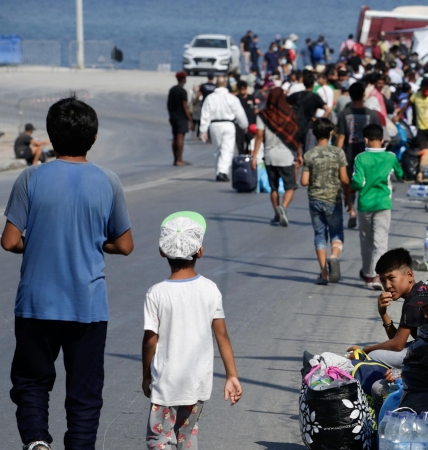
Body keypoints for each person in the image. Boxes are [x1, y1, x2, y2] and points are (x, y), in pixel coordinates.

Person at [2, 96, 134, 450]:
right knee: (85, 391)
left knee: (30, 381)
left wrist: (39, 241)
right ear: (92, 139)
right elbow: (124, 245)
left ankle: (36, 440)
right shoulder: (109, 181)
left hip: (36, 303)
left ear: (50, 135)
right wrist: (95, 243)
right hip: (87, 305)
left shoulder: (30, 178)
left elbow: (10, 240)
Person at [142, 211, 243, 448]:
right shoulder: (210, 289)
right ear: (200, 251)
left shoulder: (156, 293)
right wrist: (232, 375)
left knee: (160, 440)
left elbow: (150, 341)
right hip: (197, 383)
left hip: (166, 384)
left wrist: (146, 375)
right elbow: (222, 335)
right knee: (187, 438)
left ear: (162, 251)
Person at [351, 124, 403, 289]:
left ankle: (368, 274)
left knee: (366, 240)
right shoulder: (391, 157)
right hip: (383, 204)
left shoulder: (360, 158)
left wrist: (350, 186)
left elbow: (358, 182)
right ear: (382, 139)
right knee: (380, 241)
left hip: (364, 204)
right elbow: (400, 174)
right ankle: (378, 277)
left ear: (365, 140)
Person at [301, 119, 349, 285]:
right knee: (336, 231)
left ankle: (323, 273)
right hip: (333, 199)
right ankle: (334, 256)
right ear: (330, 134)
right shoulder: (338, 153)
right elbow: (344, 179)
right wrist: (348, 199)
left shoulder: (309, 155)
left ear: (314, 134)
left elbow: (304, 181)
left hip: (315, 199)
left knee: (320, 234)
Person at [252, 87, 301, 227]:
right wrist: (299, 154)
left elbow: (259, 136)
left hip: (270, 156)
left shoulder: (263, 115)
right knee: (290, 186)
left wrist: (254, 156)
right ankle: (283, 208)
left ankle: (276, 213)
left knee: (274, 188)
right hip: (287, 156)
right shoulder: (290, 115)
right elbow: (295, 137)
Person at [336, 82, 383, 229]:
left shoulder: (344, 114)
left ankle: (352, 212)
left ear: (350, 95)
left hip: (349, 156)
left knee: (348, 186)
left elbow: (342, 137)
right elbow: (378, 139)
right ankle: (366, 215)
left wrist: (336, 156)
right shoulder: (372, 114)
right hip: (368, 156)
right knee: (366, 185)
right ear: (364, 94)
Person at [199, 77, 249, 182]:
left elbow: (205, 114)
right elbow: (240, 113)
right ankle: (222, 171)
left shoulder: (210, 98)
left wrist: (203, 130)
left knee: (217, 149)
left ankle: (219, 171)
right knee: (227, 149)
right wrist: (244, 125)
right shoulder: (232, 98)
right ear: (225, 84)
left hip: (214, 125)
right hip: (228, 125)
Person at [394, 77, 428, 151]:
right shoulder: (416, 96)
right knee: (422, 149)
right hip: (421, 128)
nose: (426, 90)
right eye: (424, 88)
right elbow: (406, 105)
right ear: (422, 87)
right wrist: (398, 116)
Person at [288, 72, 331, 152]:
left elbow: (285, 103)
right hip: (309, 126)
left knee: (295, 150)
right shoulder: (315, 97)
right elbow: (328, 110)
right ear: (313, 84)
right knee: (308, 151)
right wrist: (319, 122)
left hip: (295, 125)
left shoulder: (296, 95)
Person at [166, 72, 193, 166]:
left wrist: (170, 115)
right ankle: (179, 159)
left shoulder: (172, 90)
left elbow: (168, 104)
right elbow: (185, 106)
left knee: (174, 137)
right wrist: (190, 120)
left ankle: (175, 159)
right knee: (180, 138)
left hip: (173, 116)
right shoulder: (183, 91)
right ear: (183, 79)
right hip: (181, 117)